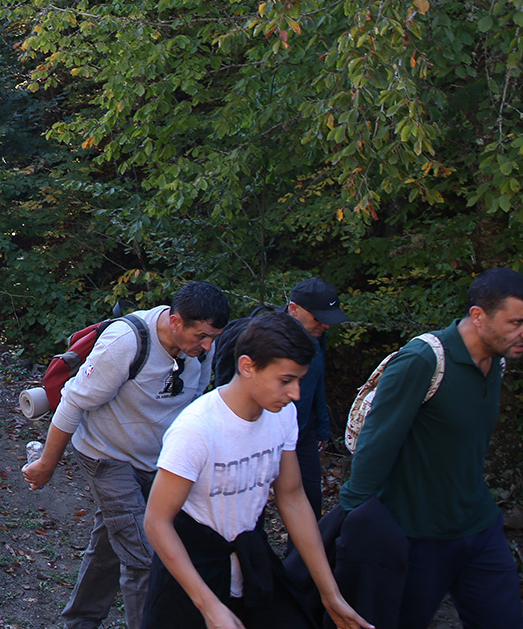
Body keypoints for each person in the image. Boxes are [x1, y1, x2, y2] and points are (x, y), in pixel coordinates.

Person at [143, 312, 372, 629]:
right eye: (286, 380)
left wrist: (329, 593)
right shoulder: (197, 429)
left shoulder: (282, 415)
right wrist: (209, 606)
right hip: (192, 572)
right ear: (248, 366)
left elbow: (291, 497)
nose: (295, 394)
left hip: (251, 561)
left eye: (299, 381)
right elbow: (157, 522)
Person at [23, 281, 229, 629]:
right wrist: (46, 464)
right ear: (176, 322)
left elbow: (194, 411)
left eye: (213, 337)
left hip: (155, 461)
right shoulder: (128, 342)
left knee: (112, 539)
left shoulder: (201, 351)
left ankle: (79, 620)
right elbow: (73, 401)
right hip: (105, 455)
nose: (209, 346)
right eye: (202, 336)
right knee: (144, 557)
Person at [329, 267, 523, 629]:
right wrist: (357, 528)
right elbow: (375, 444)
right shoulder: (424, 360)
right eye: (516, 322)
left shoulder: (497, 360)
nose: (522, 332)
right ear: (478, 316)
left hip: (479, 528)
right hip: (416, 537)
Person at [212, 277, 348, 515]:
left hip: (302, 431)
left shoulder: (317, 337)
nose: (325, 326)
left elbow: (316, 380)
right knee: (251, 506)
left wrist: (322, 427)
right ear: (294, 309)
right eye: (319, 318)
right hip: (260, 433)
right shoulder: (261, 337)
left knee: (309, 500)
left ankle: (303, 552)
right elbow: (232, 387)